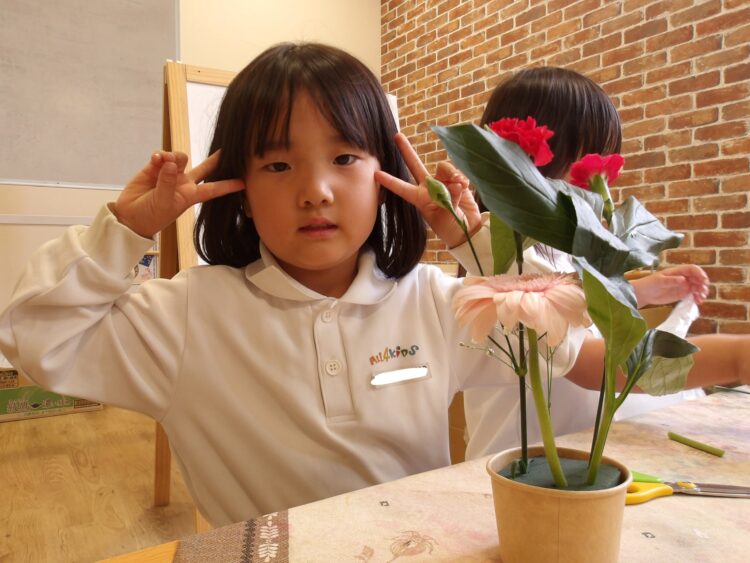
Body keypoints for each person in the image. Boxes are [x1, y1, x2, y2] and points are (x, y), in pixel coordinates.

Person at [0, 43, 584, 527]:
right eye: (278, 166)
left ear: (384, 179)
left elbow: (559, 347)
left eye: (345, 158)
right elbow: (35, 334)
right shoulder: (187, 315)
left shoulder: (432, 301)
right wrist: (125, 230)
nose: (316, 192)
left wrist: (476, 243)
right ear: (241, 192)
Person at [443, 66, 723, 459]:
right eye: (587, 156)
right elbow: (590, 362)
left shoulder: (559, 246)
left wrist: (645, 290)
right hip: (518, 465)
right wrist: (735, 359)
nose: (596, 177)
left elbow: (578, 303)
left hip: (573, 452)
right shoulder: (502, 252)